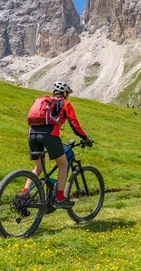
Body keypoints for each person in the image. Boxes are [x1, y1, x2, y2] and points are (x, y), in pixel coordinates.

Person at [23, 81, 93, 209]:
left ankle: (24, 195)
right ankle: (60, 198)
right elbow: (74, 124)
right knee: (63, 164)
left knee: (38, 168)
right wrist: (85, 138)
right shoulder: (65, 103)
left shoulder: (43, 101)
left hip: (32, 133)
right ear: (65, 93)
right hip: (49, 135)